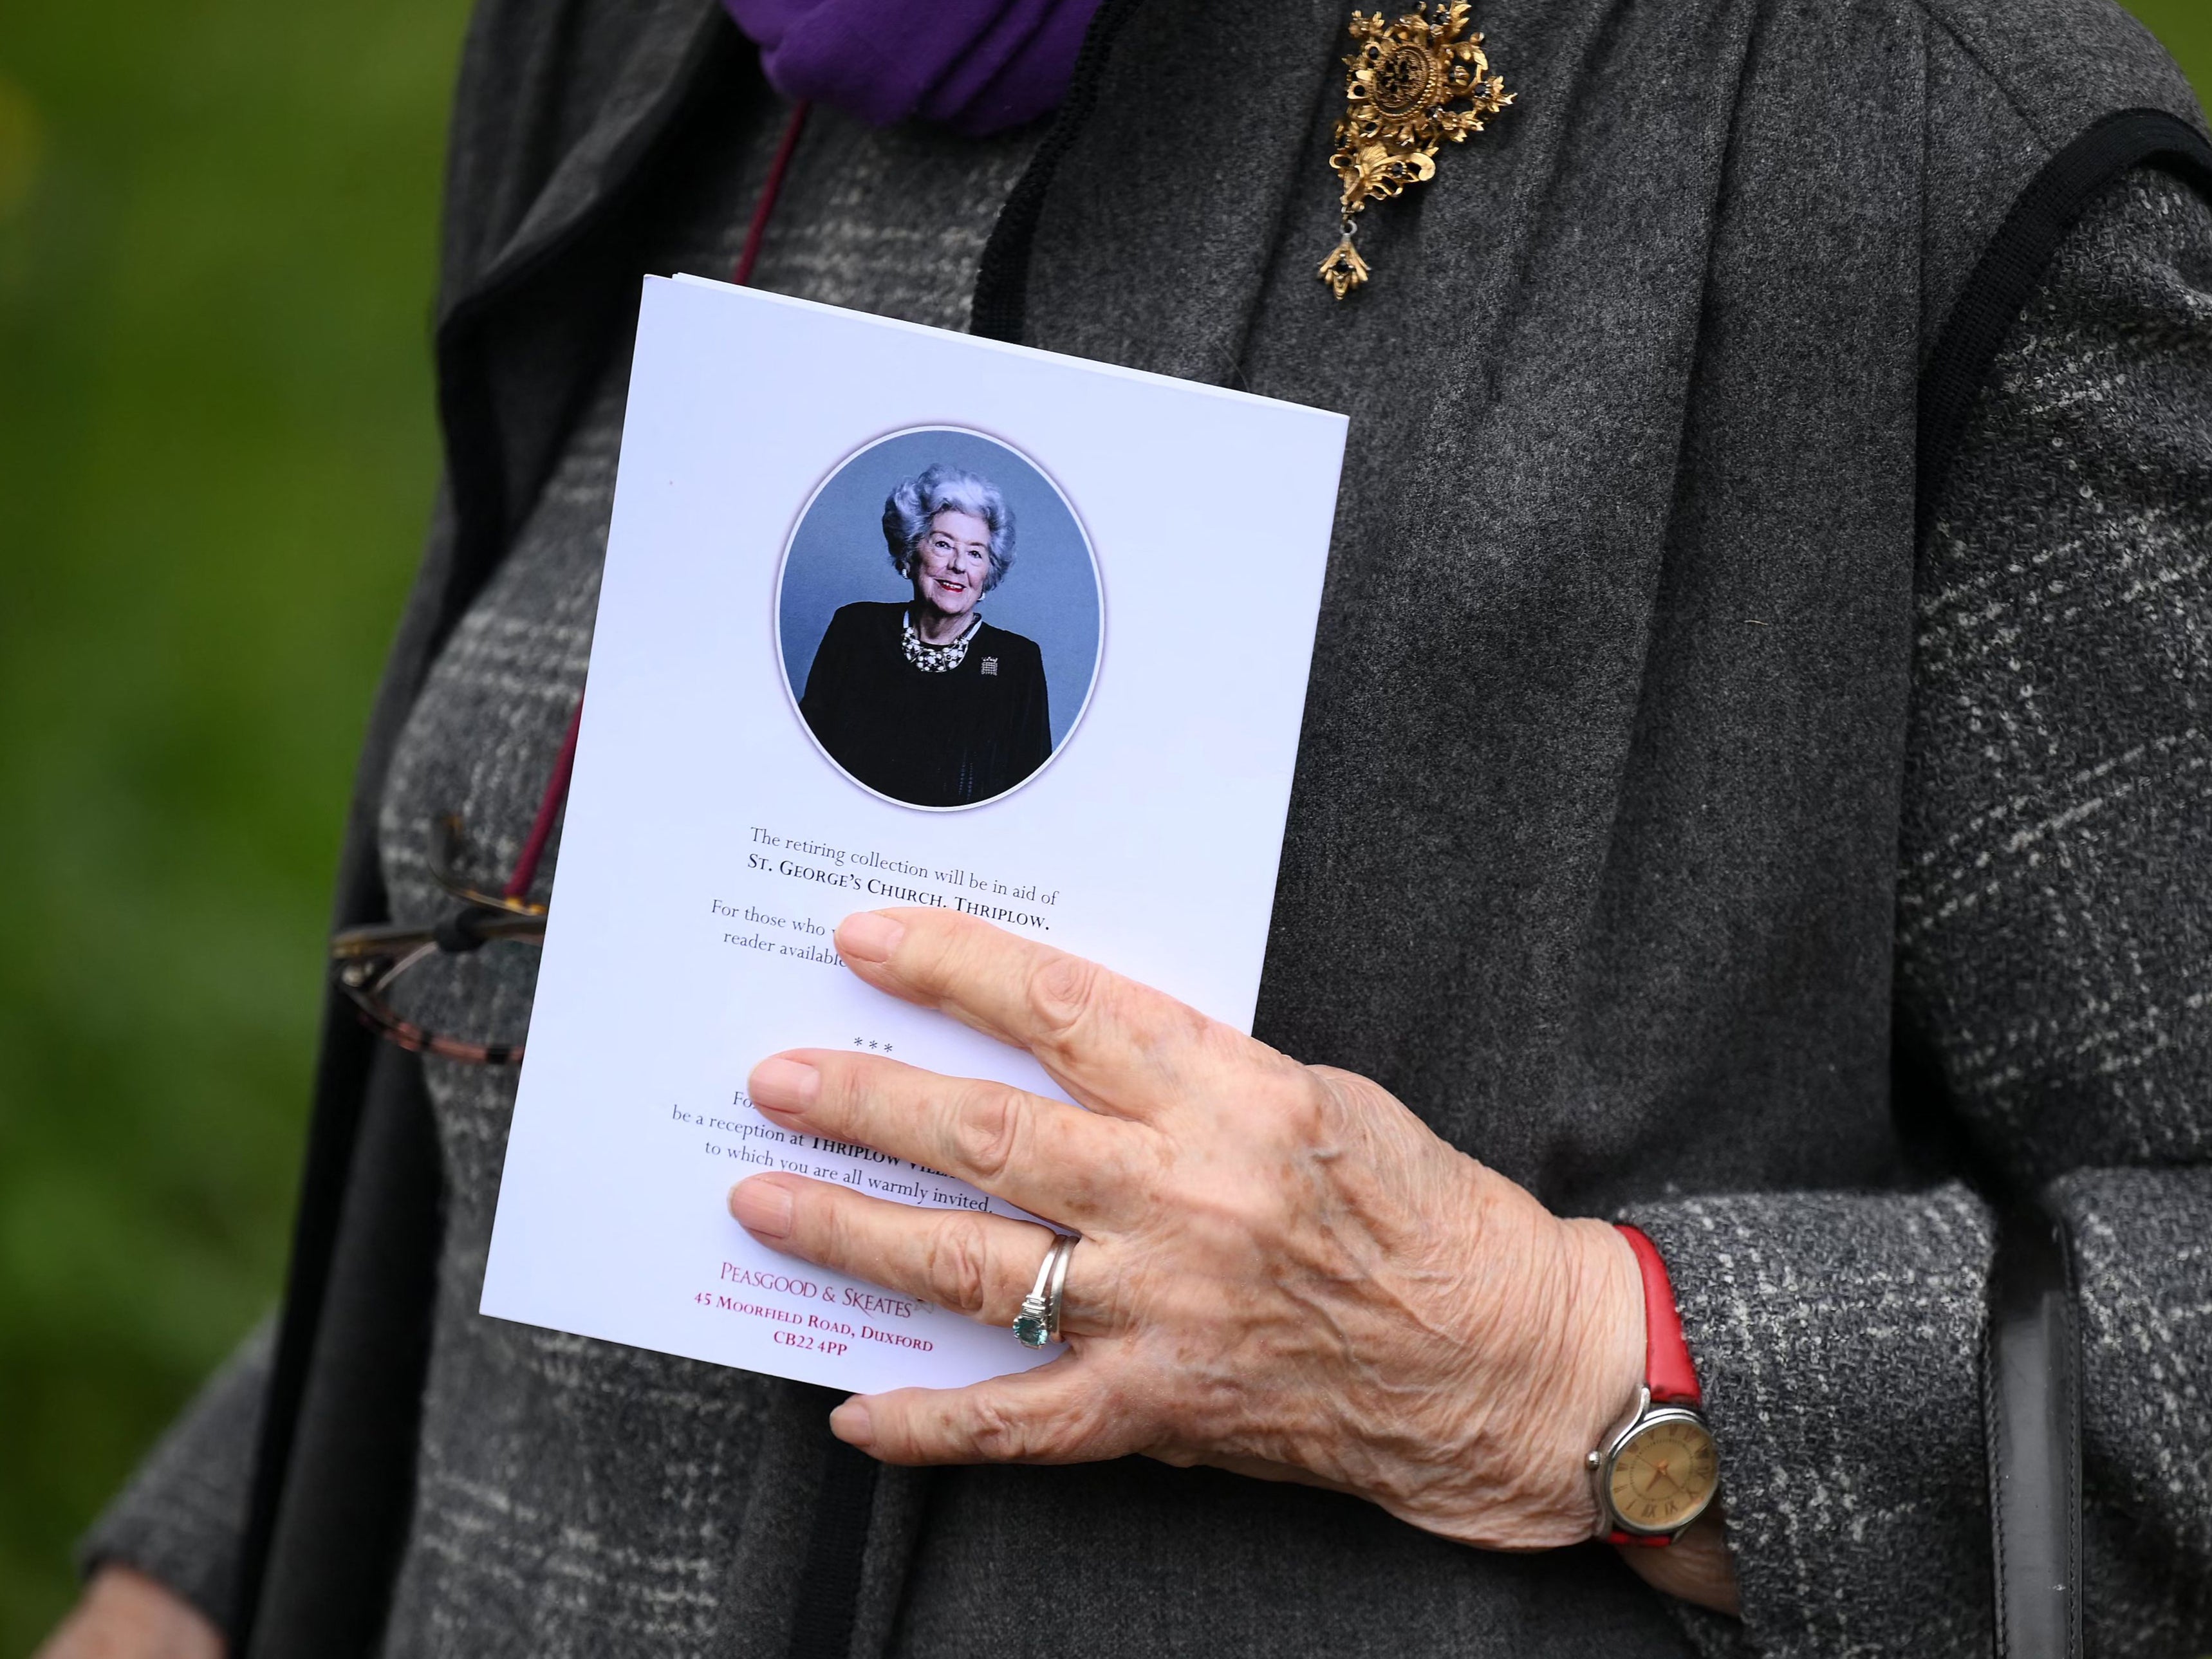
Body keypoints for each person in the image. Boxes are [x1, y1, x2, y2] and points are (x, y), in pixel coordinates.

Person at [36, 0, 2212, 1654]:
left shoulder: (1906, 142)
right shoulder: (659, 51)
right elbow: (591, 990)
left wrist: (1568, 1360)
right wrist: (219, 1557)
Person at [799, 463, 1052, 807]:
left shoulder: (1012, 663)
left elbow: (1029, 800)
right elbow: (803, 757)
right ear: (910, 551)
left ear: (987, 574)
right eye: (944, 545)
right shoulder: (856, 629)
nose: (959, 566)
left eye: (976, 553)